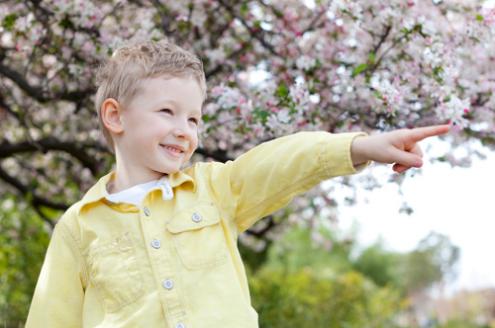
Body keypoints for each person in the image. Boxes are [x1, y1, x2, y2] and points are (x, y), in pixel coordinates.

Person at [25, 40, 451, 327]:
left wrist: (358, 147)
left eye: (193, 118)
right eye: (167, 112)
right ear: (115, 116)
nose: (183, 130)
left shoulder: (214, 190)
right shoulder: (80, 227)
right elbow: (51, 317)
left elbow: (283, 160)